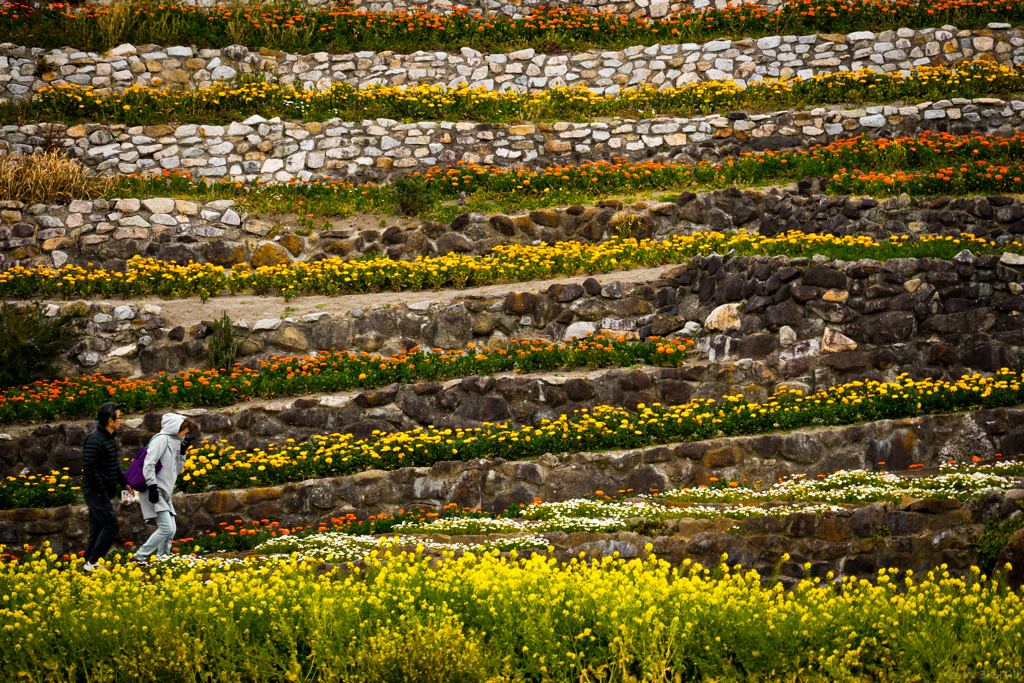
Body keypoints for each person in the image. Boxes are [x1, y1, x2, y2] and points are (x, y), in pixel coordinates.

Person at [133, 414, 196, 565]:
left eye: (186, 433)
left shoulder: (175, 442)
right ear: (175, 427)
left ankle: (162, 559)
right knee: (166, 528)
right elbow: (149, 464)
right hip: (154, 489)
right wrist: (152, 486)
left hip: (164, 491)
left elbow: (177, 470)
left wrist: (182, 453)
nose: (184, 435)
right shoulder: (161, 439)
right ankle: (139, 556)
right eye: (183, 431)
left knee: (171, 529)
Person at [82, 402, 133, 572]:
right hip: (95, 492)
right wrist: (101, 491)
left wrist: (125, 481)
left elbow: (114, 465)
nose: (122, 420)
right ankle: (94, 561)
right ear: (110, 421)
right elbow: (89, 468)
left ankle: (87, 564)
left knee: (97, 528)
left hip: (100, 491)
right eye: (119, 417)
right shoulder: (95, 439)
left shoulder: (108, 438)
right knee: (112, 524)